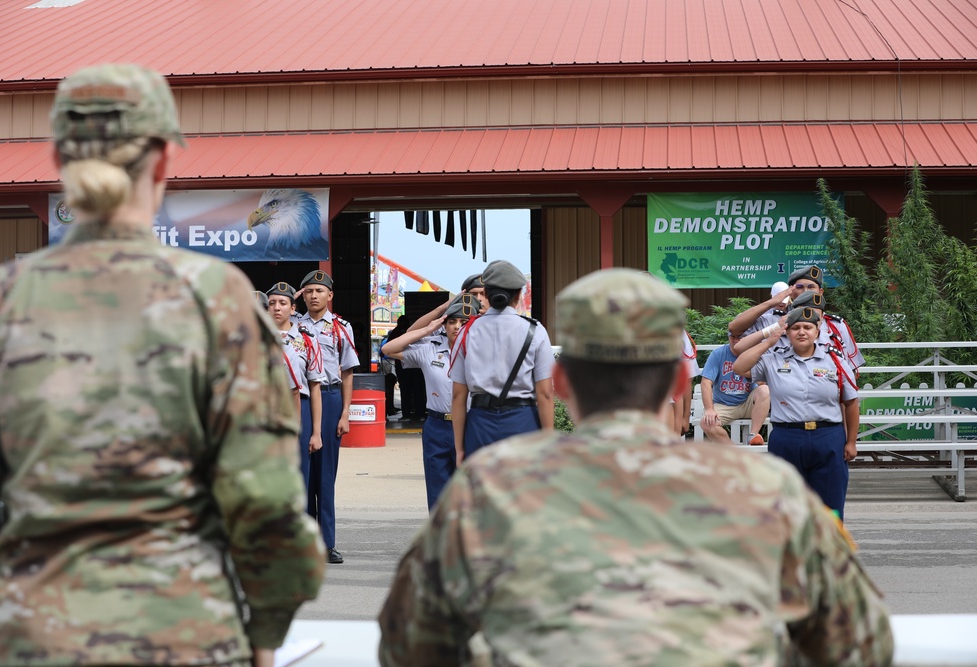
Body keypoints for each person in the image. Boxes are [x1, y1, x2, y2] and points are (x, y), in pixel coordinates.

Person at [0, 64, 325, 667]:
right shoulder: (215, 298)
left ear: (61, 158)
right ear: (163, 161)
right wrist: (266, 631)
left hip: (29, 636)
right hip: (184, 632)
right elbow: (264, 500)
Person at [378, 268, 893, 667]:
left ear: (565, 385)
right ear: (676, 384)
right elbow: (861, 644)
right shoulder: (766, 489)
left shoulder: (489, 488)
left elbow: (408, 644)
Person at [733, 307, 861, 520]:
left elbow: (851, 402)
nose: (802, 332)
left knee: (830, 504)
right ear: (787, 332)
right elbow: (739, 367)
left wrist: (851, 442)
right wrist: (768, 342)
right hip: (787, 438)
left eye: (808, 327)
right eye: (796, 328)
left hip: (827, 437)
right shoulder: (773, 359)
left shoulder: (835, 360)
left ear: (817, 331)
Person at [382, 293, 480, 510]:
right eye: (451, 321)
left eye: (464, 322)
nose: (456, 327)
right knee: (438, 495)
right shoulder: (431, 349)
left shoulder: (486, 352)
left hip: (472, 425)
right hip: (438, 425)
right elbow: (388, 349)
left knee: (471, 494)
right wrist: (428, 328)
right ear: (443, 325)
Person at [449, 260, 554, 464]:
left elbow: (458, 396)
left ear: (486, 295)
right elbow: (545, 394)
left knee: (483, 493)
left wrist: (459, 448)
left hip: (480, 425)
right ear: (518, 295)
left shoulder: (466, 332)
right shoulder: (536, 331)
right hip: (523, 423)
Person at [296, 270, 358, 564]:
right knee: (304, 472)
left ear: (330, 295)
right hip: (304, 399)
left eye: (319, 291)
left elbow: (347, 373)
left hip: (331, 398)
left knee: (325, 476)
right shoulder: (293, 325)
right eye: (308, 291)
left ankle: (328, 543)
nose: (313, 296)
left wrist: (345, 413)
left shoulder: (341, 328)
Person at [267, 281, 325, 514]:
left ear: (293, 309)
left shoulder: (307, 340)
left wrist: (316, 432)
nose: (277, 308)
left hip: (298, 409)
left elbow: (315, 387)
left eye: (283, 303)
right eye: (272, 303)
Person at [699, 333, 770, 445]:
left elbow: (762, 383)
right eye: (733, 336)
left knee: (765, 390)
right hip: (723, 404)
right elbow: (706, 382)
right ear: (728, 336)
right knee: (706, 423)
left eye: (740, 337)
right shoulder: (718, 354)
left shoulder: (754, 354)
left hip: (748, 403)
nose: (736, 340)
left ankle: (753, 435)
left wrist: (749, 368)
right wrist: (709, 409)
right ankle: (734, 452)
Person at [790, 289, 865, 369]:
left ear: (822, 317)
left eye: (816, 316)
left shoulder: (834, 340)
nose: (810, 321)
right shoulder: (781, 338)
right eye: (802, 317)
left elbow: (850, 370)